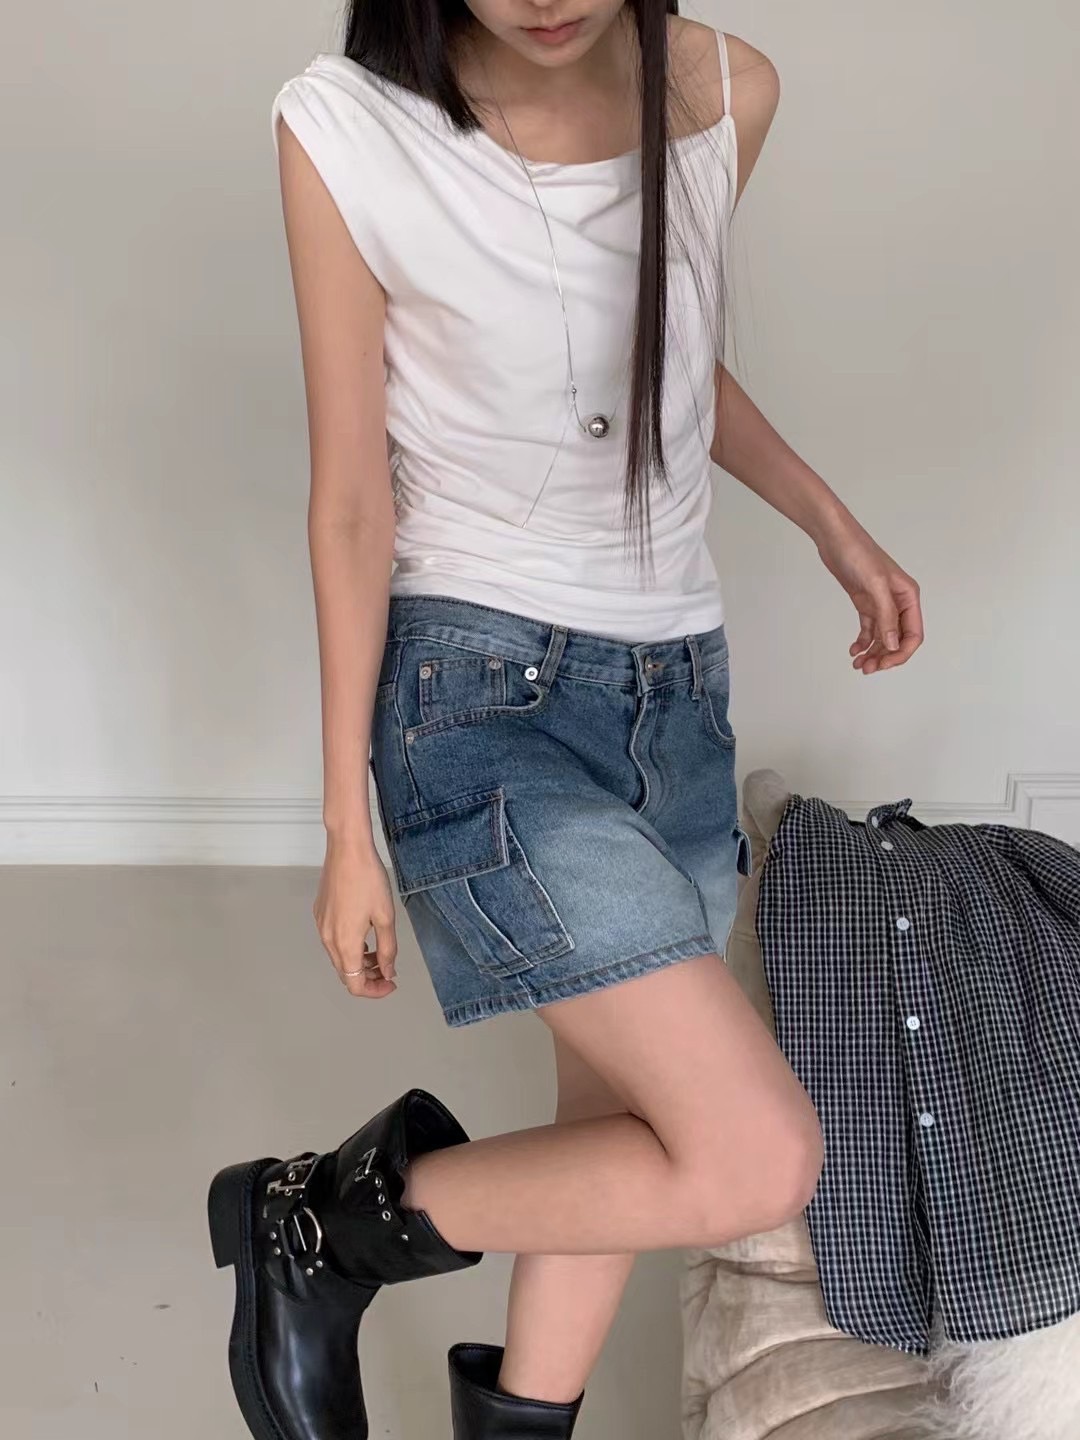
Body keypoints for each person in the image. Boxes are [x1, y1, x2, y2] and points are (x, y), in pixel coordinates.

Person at [208, 4, 925, 1439]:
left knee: (621, 1128)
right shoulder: (344, 126)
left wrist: (830, 522)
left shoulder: (723, 90)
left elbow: (663, 355)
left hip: (676, 698)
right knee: (754, 1156)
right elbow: (350, 501)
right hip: (478, 695)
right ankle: (316, 1228)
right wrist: (346, 826)